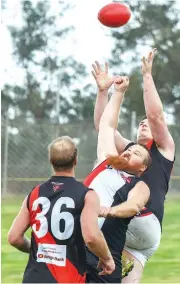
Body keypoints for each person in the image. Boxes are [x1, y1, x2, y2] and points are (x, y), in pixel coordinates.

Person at [93, 49, 175, 283]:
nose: (143, 123)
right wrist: (102, 92)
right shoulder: (130, 150)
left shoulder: (164, 149)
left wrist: (147, 75)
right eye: (141, 122)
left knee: (102, 171)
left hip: (141, 221)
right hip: (134, 236)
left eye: (147, 123)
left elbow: (156, 116)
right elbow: (104, 127)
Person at [8, 136, 115, 283]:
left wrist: (35, 250)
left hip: (34, 278)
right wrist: (107, 258)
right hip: (68, 277)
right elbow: (91, 237)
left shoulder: (34, 194)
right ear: (76, 160)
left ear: (50, 161)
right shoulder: (87, 195)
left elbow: (14, 238)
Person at [84, 75, 152, 283]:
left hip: (106, 258)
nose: (130, 152)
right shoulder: (106, 162)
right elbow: (106, 126)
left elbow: (133, 206)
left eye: (137, 154)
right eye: (129, 150)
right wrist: (117, 93)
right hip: (78, 248)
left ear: (142, 167)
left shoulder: (138, 185)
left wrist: (107, 211)